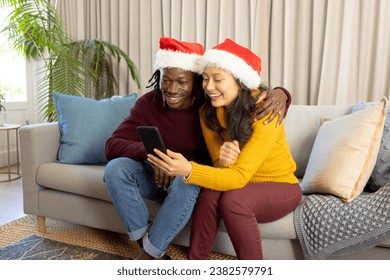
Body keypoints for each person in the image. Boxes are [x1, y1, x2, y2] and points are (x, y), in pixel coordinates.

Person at [104, 37, 292, 260]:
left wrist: (282, 94)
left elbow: (248, 100)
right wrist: (156, 157)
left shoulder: (209, 105)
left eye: (182, 82)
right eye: (167, 80)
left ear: (194, 83)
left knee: (194, 186)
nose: (172, 89)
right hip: (161, 175)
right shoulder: (157, 104)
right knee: (116, 169)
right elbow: (111, 145)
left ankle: (149, 255)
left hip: (191, 180)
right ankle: (145, 244)